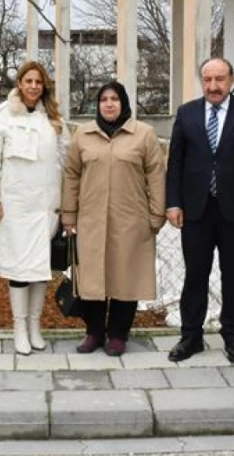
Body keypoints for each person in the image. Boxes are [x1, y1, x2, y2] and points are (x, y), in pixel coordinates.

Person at [165, 58, 234, 365]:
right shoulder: (187, 113)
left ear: (231, 79)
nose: (213, 86)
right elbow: (176, 163)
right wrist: (173, 202)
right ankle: (191, 337)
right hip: (196, 210)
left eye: (220, 79)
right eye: (207, 79)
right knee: (195, 275)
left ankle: (233, 338)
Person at [61, 81, 165, 356]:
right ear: (97, 104)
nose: (109, 104)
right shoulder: (83, 135)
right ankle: (94, 332)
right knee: (92, 278)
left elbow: (156, 176)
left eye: (115, 99)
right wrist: (69, 214)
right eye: (104, 99)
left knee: (125, 276)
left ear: (124, 103)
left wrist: (157, 214)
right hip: (90, 220)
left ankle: (118, 334)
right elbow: (71, 175)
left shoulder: (143, 134)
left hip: (130, 220)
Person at [0, 61, 70, 356]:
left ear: (44, 85)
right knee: (20, 269)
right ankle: (19, 327)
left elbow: (65, 161)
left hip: (45, 205)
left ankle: (35, 326)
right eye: (28, 81)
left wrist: (64, 203)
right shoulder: (2, 116)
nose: (33, 86)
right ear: (19, 84)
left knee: (40, 268)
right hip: (16, 205)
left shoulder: (54, 119)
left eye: (38, 81)